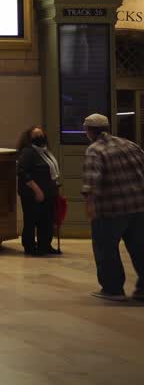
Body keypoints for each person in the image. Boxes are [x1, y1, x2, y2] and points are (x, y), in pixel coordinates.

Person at [79, 113, 144, 302]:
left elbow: (92, 180)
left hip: (111, 209)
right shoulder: (130, 145)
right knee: (140, 248)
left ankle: (113, 288)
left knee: (105, 248)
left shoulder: (95, 150)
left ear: (89, 131)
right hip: (139, 207)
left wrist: (90, 205)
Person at [16, 125, 61, 257]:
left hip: (49, 192)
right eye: (36, 135)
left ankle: (45, 245)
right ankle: (30, 247)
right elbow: (23, 172)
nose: (40, 137)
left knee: (47, 220)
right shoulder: (28, 152)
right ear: (29, 138)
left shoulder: (46, 151)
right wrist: (37, 190)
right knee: (31, 220)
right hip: (32, 193)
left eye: (41, 134)